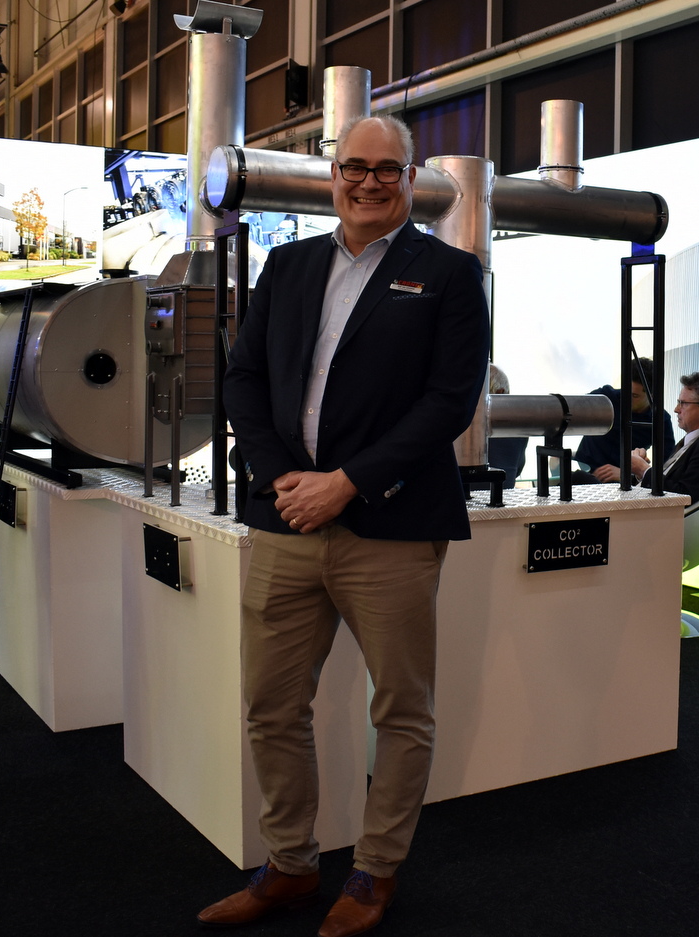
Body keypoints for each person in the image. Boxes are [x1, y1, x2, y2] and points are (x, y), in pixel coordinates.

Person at [202, 114, 490, 937]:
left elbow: (449, 401)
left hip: (391, 526)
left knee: (400, 710)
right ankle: (291, 864)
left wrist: (348, 483)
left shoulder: (449, 273)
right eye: (354, 167)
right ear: (334, 175)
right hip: (286, 520)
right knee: (270, 704)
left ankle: (374, 870)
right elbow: (243, 377)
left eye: (386, 170)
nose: (368, 182)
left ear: (410, 180)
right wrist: (279, 477)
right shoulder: (289, 265)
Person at [633, 371, 699, 504]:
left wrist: (644, 470)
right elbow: (671, 482)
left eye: (683, 403)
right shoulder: (696, 440)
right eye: (678, 402)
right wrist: (641, 473)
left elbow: (684, 496)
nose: (676, 409)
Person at [574, 357, 674, 483]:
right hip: (581, 474)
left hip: (621, 485)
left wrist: (627, 475)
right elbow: (569, 413)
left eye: (634, 395)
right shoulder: (604, 397)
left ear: (652, 395)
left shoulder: (661, 421)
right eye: (625, 390)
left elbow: (666, 467)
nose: (626, 397)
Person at [486, 363, 527, 485]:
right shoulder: (518, 429)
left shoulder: (461, 424)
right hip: (502, 494)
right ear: (501, 392)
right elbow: (517, 470)